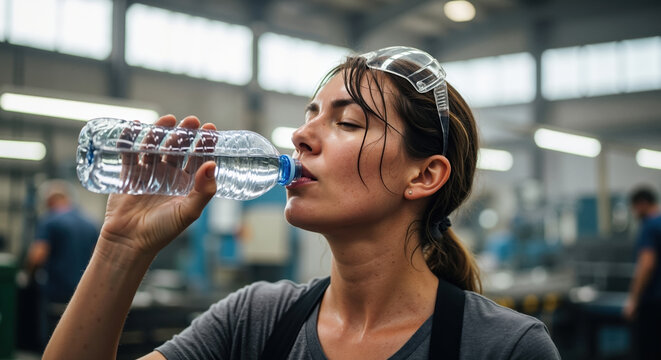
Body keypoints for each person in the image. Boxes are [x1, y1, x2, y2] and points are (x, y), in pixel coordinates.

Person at [43, 46, 559, 359]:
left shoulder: (504, 348)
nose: (301, 136)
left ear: (424, 175)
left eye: (348, 122)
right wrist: (121, 246)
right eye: (310, 115)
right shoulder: (255, 320)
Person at [25, 180, 99, 345]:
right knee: (76, 339)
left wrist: (28, 276)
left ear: (50, 201)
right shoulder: (90, 223)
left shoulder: (50, 220)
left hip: (55, 292)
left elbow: (38, 255)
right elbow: (98, 258)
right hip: (82, 292)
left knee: (53, 339)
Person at [624, 186, 661, 359]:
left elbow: (646, 264)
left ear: (642, 204)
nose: (634, 213)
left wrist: (633, 299)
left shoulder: (649, 226)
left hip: (653, 302)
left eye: (634, 208)